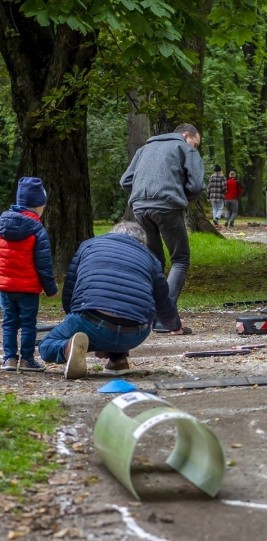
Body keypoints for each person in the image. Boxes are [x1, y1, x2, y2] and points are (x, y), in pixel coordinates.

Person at [38, 222, 187, 380]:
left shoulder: (88, 246)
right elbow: (163, 303)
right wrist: (175, 326)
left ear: (112, 233)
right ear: (142, 243)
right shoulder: (151, 259)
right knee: (124, 308)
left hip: (91, 321)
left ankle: (68, 348)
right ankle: (118, 360)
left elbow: (70, 288)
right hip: (135, 333)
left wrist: (75, 321)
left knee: (46, 346)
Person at [120, 123, 205, 308]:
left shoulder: (144, 149)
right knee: (180, 259)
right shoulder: (185, 149)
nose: (195, 147)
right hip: (168, 206)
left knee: (153, 260)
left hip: (140, 208)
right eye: (195, 143)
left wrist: (141, 195)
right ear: (186, 135)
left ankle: (146, 308)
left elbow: (125, 180)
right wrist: (181, 197)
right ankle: (165, 313)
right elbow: (197, 185)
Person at [0, 177, 58, 372]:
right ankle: (26, 359)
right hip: (28, 288)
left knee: (9, 322)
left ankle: (9, 359)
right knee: (28, 324)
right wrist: (51, 289)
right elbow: (43, 264)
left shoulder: (2, 224)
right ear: (38, 205)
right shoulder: (37, 229)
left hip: (5, 286)